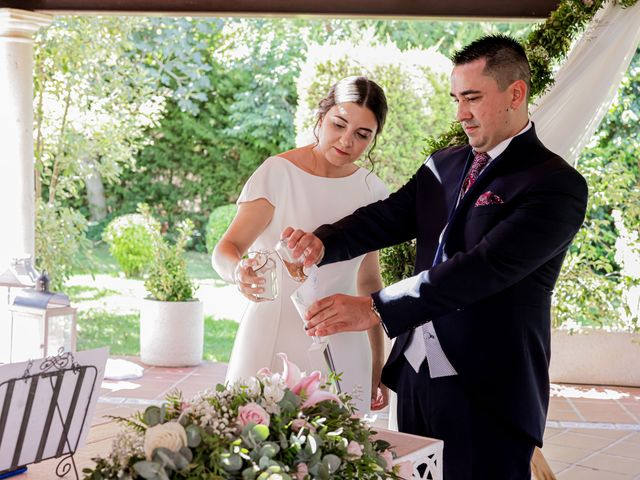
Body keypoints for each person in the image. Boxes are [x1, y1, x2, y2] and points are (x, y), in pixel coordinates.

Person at [284, 35, 588, 479]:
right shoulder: (444, 164)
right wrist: (323, 242)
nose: (460, 113)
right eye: (456, 98)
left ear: (515, 94)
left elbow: (483, 268)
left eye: (472, 98)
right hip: (416, 375)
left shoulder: (556, 185)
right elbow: (388, 217)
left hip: (490, 387)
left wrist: (374, 308)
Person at [211, 76, 390, 413]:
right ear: (321, 118)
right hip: (273, 334)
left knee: (341, 454)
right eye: (339, 124)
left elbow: (369, 283)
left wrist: (378, 365)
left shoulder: (372, 191)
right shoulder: (278, 174)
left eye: (362, 134)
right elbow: (226, 248)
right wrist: (238, 272)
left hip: (344, 339)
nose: (346, 140)